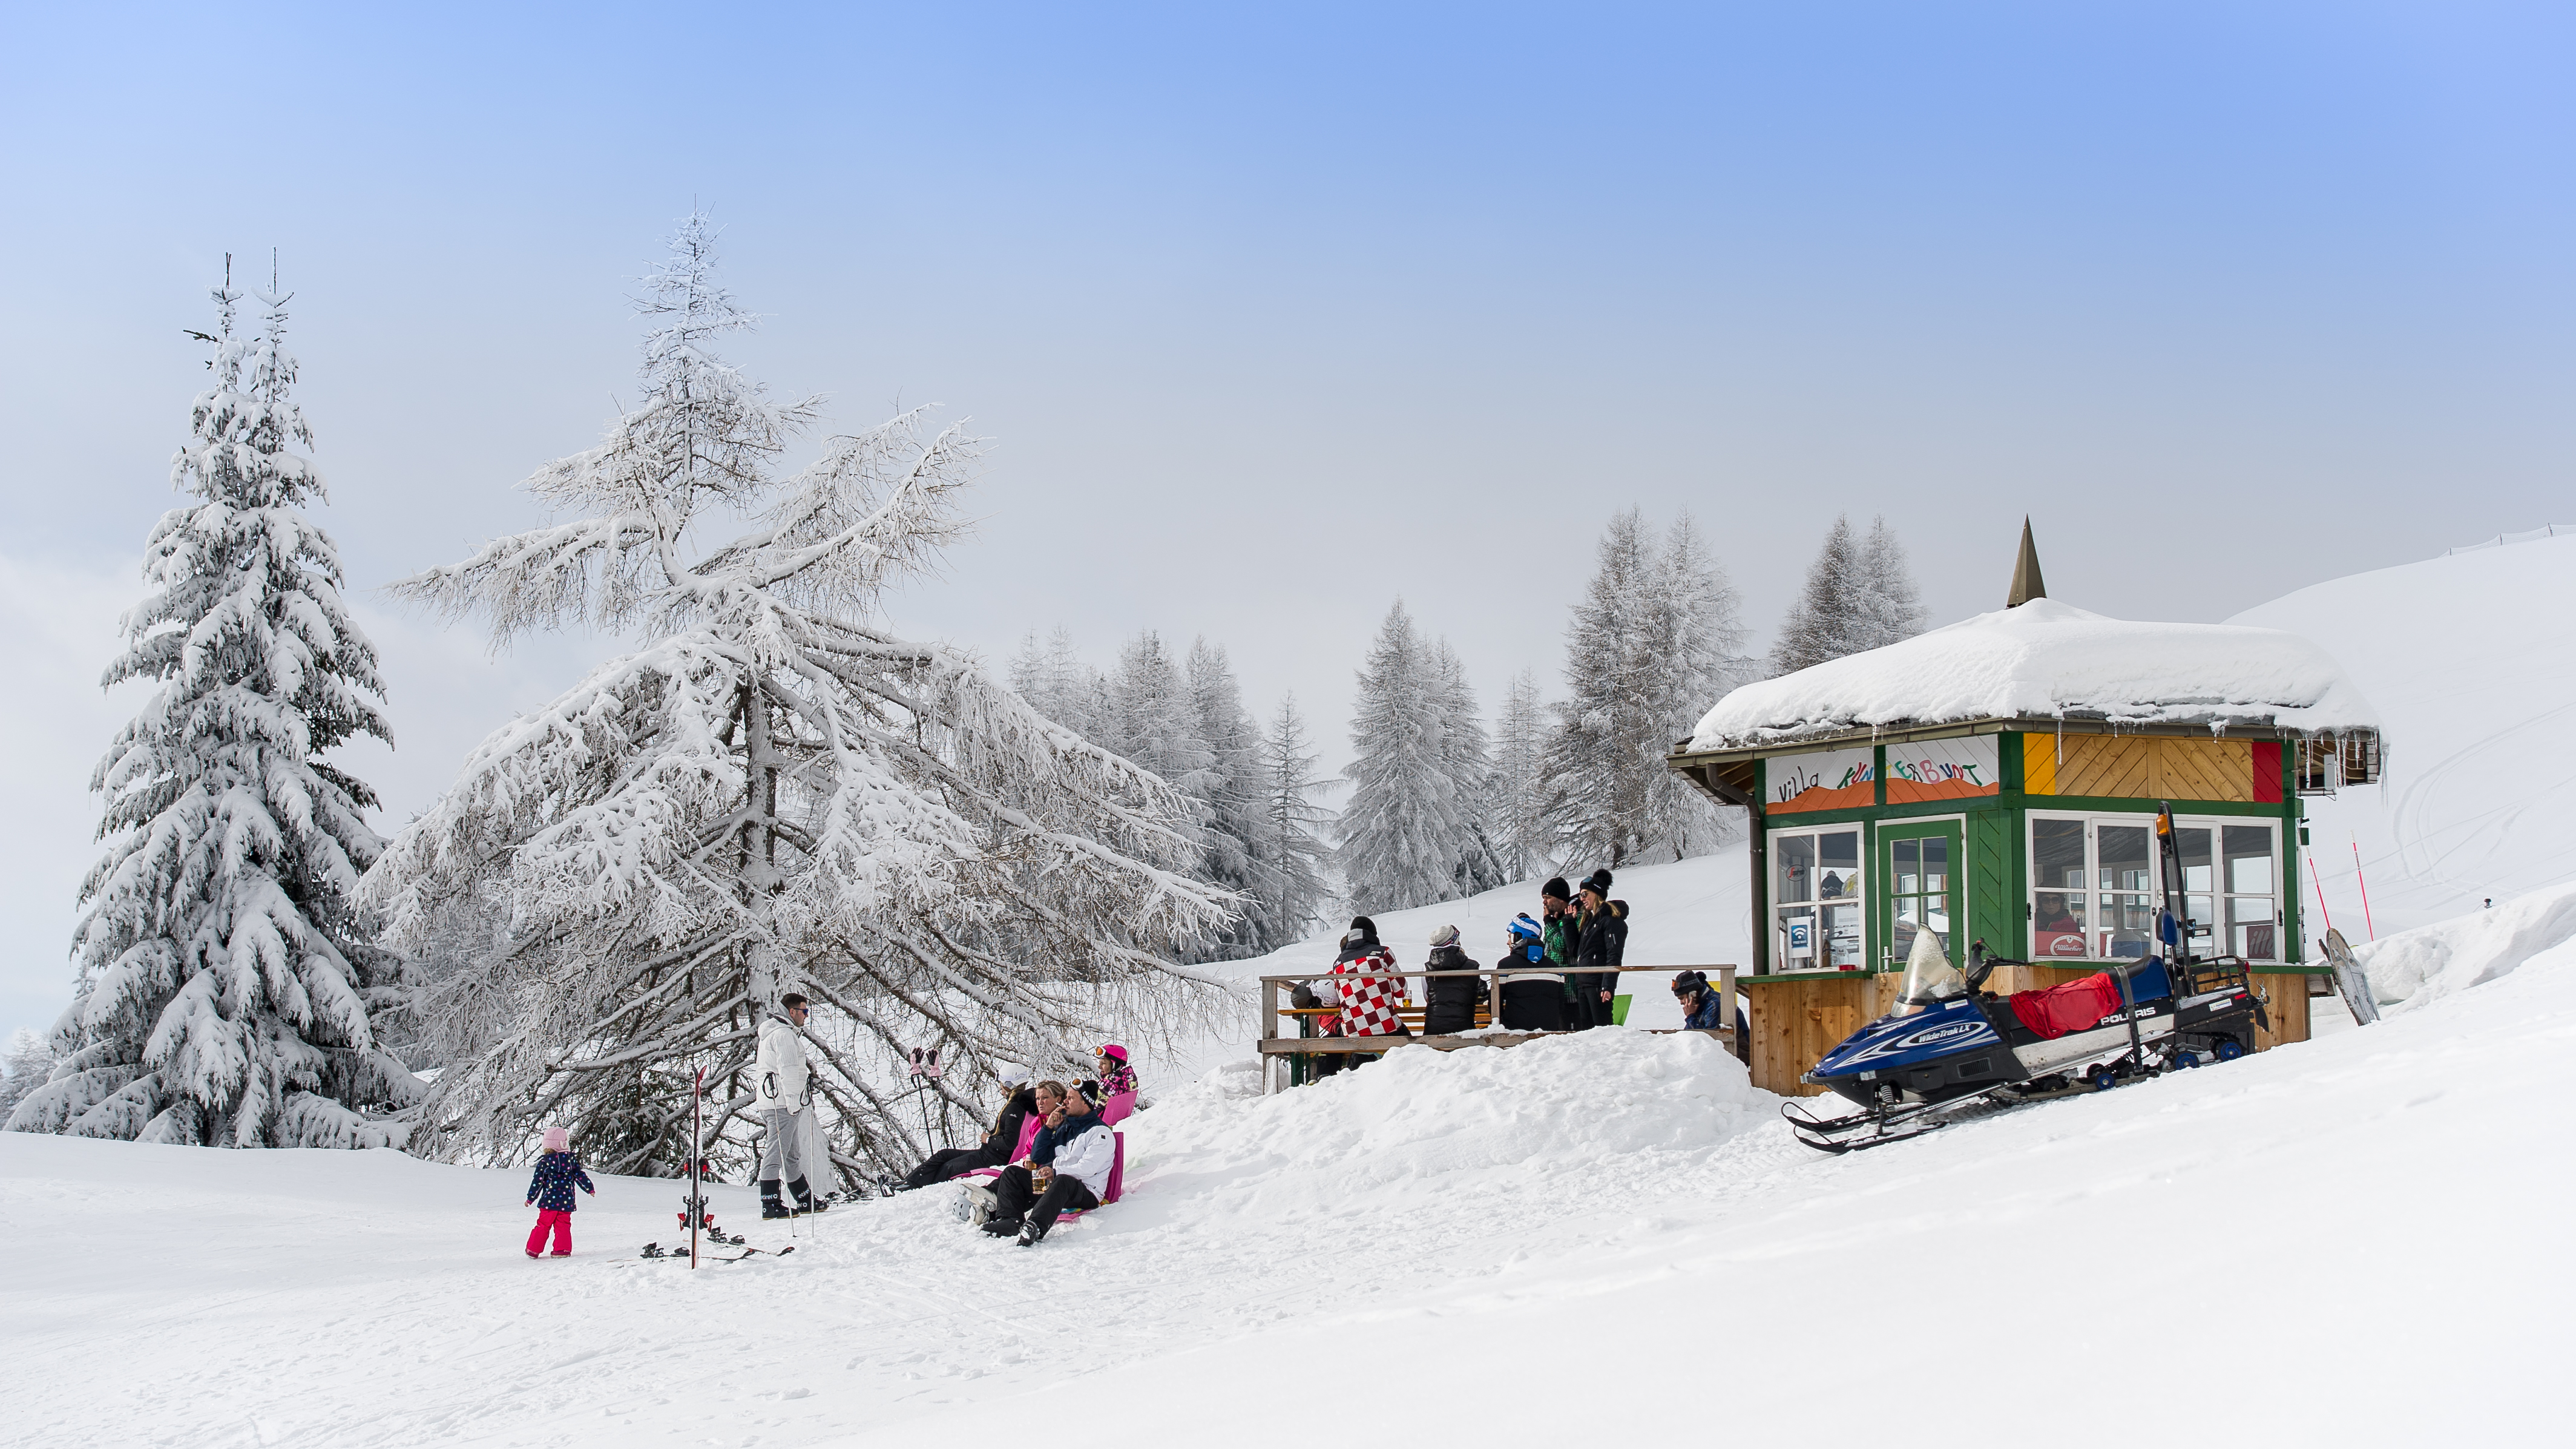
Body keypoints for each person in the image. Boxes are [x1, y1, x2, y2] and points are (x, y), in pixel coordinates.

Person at [971, 1082, 1116, 1246]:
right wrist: (1048, 1128)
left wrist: (1055, 1171)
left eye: (1071, 1098)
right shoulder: (1066, 1127)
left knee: (1063, 1180)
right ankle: (1010, 1220)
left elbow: (1088, 1168)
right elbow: (1038, 1156)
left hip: (1086, 1192)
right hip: (1055, 1186)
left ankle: (1035, 1227)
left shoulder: (1100, 1132)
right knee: (1013, 1173)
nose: (1065, 1101)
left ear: (1085, 1102)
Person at [896, 1065, 1037, 1191]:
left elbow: (1010, 1142)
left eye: (1001, 1085)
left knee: (949, 1167)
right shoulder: (1021, 1104)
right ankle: (908, 1183)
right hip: (989, 1153)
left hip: (992, 1158)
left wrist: (988, 1139)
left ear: (1008, 1085)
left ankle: (916, 1191)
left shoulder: (1015, 1107)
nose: (1000, 1089)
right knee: (944, 1154)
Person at [754, 993, 830, 1219]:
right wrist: (793, 1104)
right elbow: (788, 1071)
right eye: (804, 1011)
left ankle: (804, 1198)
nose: (807, 1016)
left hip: (776, 1101)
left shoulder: (777, 1034)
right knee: (776, 1151)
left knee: (791, 1154)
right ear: (792, 1012)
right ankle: (770, 1203)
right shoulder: (784, 1035)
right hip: (780, 1103)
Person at [1317, 916, 1406, 1075]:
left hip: (1353, 1032)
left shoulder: (1338, 964)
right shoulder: (1383, 953)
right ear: (1373, 935)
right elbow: (1401, 991)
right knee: (1409, 1047)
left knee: (1359, 1043)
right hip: (1387, 1029)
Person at [522, 1126, 596, 1258]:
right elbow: (580, 1175)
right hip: (566, 1201)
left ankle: (533, 1250)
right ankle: (562, 1250)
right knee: (563, 1225)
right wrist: (589, 1188)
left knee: (543, 1225)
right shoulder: (571, 1161)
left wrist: (530, 1198)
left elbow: (537, 1182)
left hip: (548, 1202)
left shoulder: (545, 1162)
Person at [1572, 869, 1629, 1030]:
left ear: (1596, 893)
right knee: (1586, 1031)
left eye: (1585, 894)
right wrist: (1570, 922)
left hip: (1598, 984)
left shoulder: (1611, 921)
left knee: (1603, 1029)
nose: (1581, 899)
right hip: (1583, 983)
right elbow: (1575, 950)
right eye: (1580, 895)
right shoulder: (1590, 920)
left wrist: (1608, 987)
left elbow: (1614, 955)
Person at [1498, 914, 1565, 1031]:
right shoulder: (1555, 968)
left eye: (1510, 937)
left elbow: (1495, 1003)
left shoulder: (1505, 966)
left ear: (1518, 937)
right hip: (1550, 1034)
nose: (1508, 942)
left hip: (1515, 1032)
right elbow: (1561, 1005)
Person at [1421, 924, 1482, 1036]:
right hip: (1464, 1028)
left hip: (1433, 1029)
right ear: (1456, 941)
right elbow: (1475, 994)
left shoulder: (1426, 968)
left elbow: (1427, 997)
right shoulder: (1473, 966)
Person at [1540, 878, 1583, 1025]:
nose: (1544, 902)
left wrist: (1550, 924)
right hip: (1553, 993)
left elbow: (1563, 947)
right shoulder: (1557, 920)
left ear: (1560, 899)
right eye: (1543, 898)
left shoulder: (1575, 917)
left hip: (1570, 993)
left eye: (1548, 898)